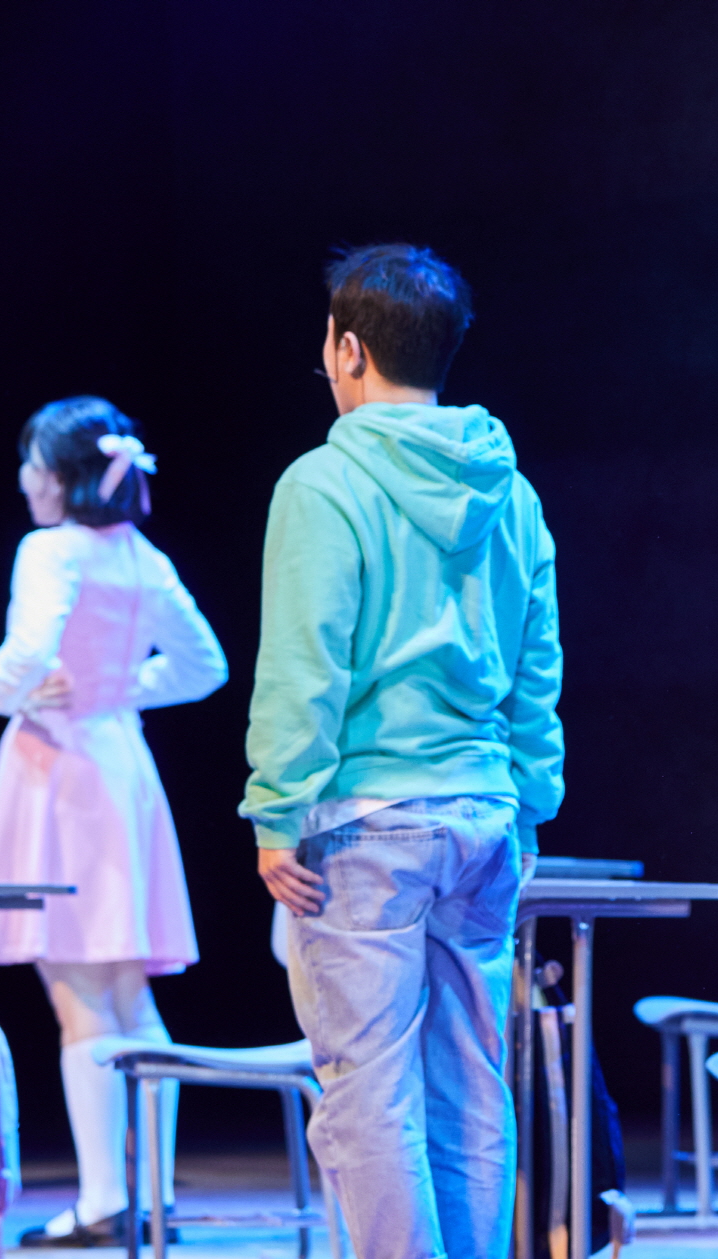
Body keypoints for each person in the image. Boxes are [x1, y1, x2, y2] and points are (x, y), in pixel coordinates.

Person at [242, 244, 564, 1258]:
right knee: (471, 1083)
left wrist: (276, 807)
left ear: (347, 349)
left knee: (368, 1088)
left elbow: (305, 662)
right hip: (483, 817)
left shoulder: (325, 482)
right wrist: (531, 801)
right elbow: (537, 666)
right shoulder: (511, 491)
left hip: (367, 821)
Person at [0, 397, 226, 1247]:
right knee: (127, 997)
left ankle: (107, 1200)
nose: (24, 478)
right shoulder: (142, 557)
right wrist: (120, 688)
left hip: (63, 773)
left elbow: (27, 649)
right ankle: (150, 1198)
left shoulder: (50, 550)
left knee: (82, 996)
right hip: (121, 764)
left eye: (32, 462)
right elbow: (205, 664)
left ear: (62, 475)